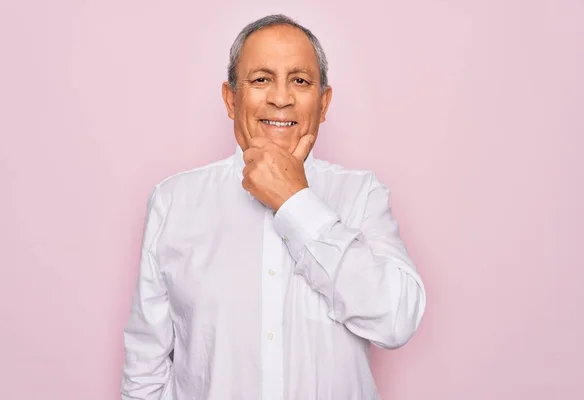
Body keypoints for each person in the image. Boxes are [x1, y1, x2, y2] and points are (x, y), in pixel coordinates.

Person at [121, 14, 426, 400]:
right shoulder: (173, 201)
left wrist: (295, 201)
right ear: (231, 99)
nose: (281, 98)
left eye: (299, 81)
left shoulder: (362, 195)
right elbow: (144, 366)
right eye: (261, 79)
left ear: (324, 101)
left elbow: (396, 321)